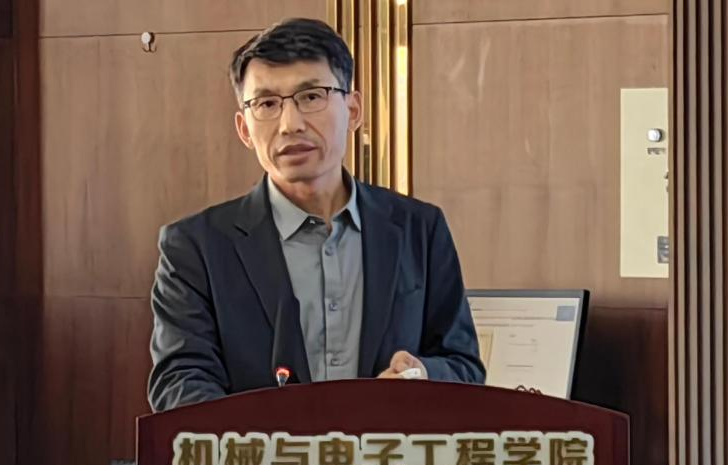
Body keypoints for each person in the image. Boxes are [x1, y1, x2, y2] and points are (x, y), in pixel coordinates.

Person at [148, 18, 484, 412]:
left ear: (353, 110)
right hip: (261, 452)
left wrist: (420, 376)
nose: (290, 124)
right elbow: (180, 383)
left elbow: (463, 367)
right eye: (267, 104)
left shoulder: (420, 229)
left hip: (389, 450)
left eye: (311, 96)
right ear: (244, 129)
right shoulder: (195, 247)